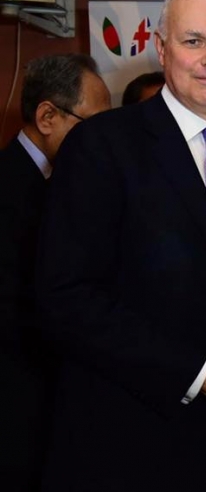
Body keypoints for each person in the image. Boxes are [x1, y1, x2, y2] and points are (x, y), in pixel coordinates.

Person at [35, 0, 206, 492]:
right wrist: (199, 375)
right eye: (193, 41)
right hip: (129, 445)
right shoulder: (101, 147)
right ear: (161, 49)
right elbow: (65, 299)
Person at [0, 54, 110, 491]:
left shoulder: (60, 186)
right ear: (48, 116)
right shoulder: (12, 192)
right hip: (20, 418)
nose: (103, 142)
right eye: (93, 126)